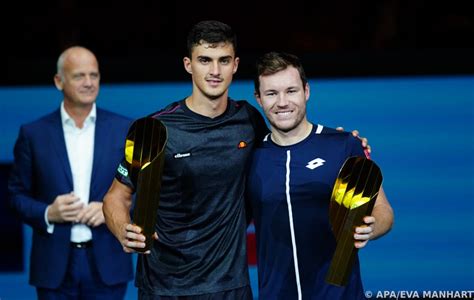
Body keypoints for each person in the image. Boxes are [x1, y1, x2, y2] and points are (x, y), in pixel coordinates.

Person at [103, 20, 369, 299]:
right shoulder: (154, 129)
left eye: (223, 60)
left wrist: (342, 143)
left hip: (232, 287)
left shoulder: (250, 120)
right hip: (165, 287)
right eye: (205, 60)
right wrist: (123, 230)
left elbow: (290, 143)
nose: (215, 71)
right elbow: (115, 197)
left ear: (235, 65)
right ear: (188, 64)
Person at [246, 51, 394, 299]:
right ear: (258, 98)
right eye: (272, 93)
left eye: (291, 91)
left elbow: (384, 211)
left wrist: (370, 227)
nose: (282, 102)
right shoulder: (251, 155)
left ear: (306, 91)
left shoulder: (344, 145)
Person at [8, 46, 134, 299]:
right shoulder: (33, 134)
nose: (89, 83)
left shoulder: (125, 129)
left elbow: (144, 189)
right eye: (79, 76)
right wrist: (47, 213)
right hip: (53, 267)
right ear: (58, 81)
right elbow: (16, 196)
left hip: (108, 262)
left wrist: (112, 209)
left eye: (94, 75)